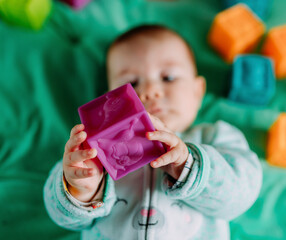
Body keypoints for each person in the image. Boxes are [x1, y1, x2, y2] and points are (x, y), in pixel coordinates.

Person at [44, 24, 262, 240]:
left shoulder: (216, 137)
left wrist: (189, 165)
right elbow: (62, 218)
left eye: (168, 78)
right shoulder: (93, 151)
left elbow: (241, 195)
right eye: (131, 83)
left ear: (198, 92)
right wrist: (81, 189)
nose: (149, 91)